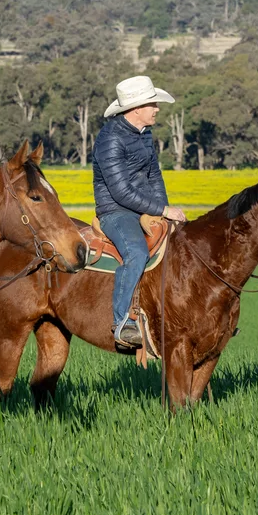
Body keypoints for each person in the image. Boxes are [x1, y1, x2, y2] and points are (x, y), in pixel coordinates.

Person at [92, 74, 188, 349]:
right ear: (136, 109)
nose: (157, 109)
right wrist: (162, 209)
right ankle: (123, 323)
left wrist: (163, 212)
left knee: (186, 245)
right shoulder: (109, 139)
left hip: (147, 209)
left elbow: (154, 175)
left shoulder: (145, 135)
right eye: (153, 104)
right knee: (136, 253)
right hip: (116, 211)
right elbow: (120, 191)